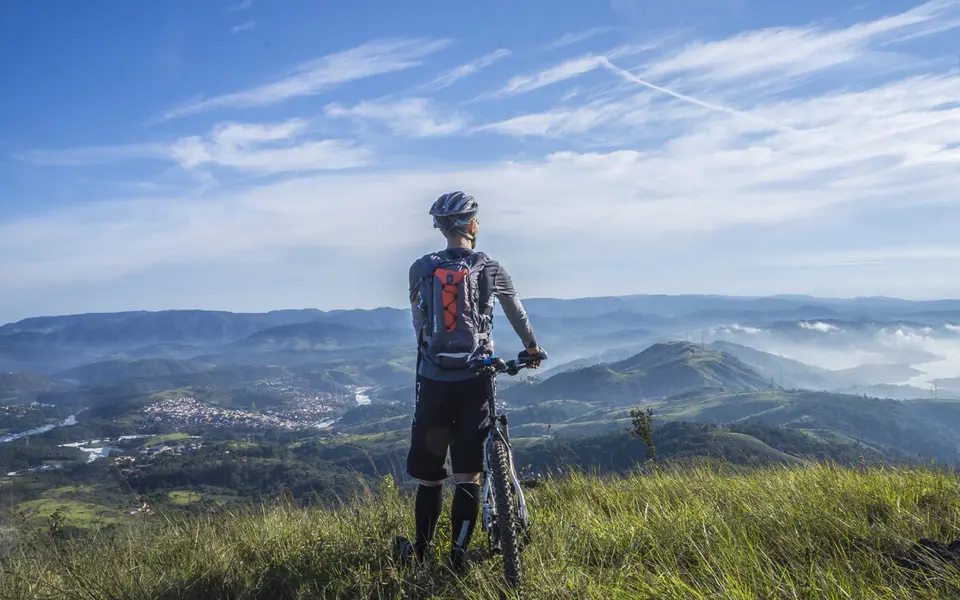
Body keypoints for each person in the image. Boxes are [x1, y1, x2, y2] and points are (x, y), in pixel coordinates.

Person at [396, 190, 544, 572]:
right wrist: (531, 348)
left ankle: (420, 553)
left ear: (441, 227)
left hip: (433, 381)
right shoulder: (489, 267)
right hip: (476, 379)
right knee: (468, 475)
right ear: (472, 225)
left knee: (430, 479)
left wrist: (430, 358)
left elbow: (419, 324)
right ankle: (458, 555)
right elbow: (517, 313)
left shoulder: (420, 268)